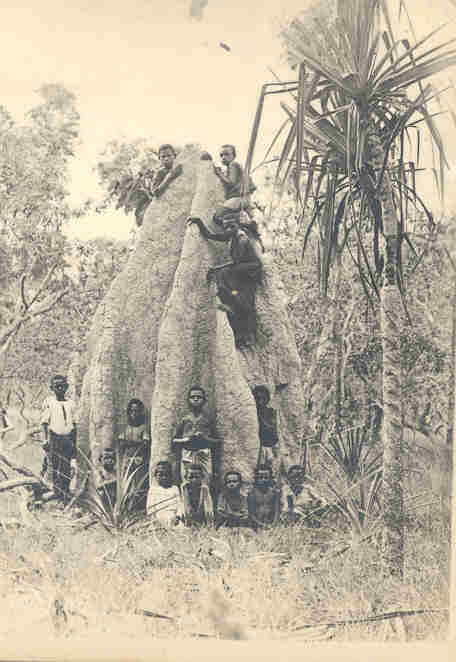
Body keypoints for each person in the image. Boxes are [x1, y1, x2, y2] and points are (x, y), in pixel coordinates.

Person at [187, 215, 263, 346]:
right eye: (225, 229)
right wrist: (199, 222)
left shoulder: (242, 239)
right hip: (240, 272)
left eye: (228, 229)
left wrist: (214, 269)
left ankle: (249, 336)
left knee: (246, 303)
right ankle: (238, 333)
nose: (225, 232)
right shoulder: (231, 235)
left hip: (250, 272)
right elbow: (211, 236)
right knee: (235, 295)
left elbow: (235, 262)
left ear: (234, 228)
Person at [40, 375, 77, 505]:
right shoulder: (49, 402)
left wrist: (74, 441)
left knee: (66, 467)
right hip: (55, 438)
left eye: (62, 386)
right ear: (52, 388)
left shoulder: (71, 403)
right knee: (55, 466)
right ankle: (57, 492)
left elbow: (74, 423)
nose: (60, 388)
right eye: (57, 386)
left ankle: (65, 494)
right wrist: (45, 440)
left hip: (68, 438)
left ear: (66, 387)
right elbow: (44, 423)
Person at [172, 386, 218, 487]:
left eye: (199, 397)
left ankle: (205, 502)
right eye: (193, 397)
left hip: (204, 455)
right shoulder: (184, 419)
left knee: (205, 483)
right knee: (187, 483)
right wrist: (187, 439)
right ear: (188, 400)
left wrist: (204, 438)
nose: (196, 399)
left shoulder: (208, 419)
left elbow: (217, 441)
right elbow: (174, 441)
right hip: (187, 454)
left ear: (204, 400)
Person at [117, 398, 151, 512]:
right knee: (126, 484)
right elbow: (121, 443)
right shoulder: (126, 427)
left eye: (136, 411)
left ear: (140, 412)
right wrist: (135, 443)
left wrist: (130, 443)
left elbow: (145, 444)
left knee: (138, 485)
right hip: (127, 460)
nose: (134, 414)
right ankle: (126, 509)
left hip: (139, 460)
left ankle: (137, 509)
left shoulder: (143, 428)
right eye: (131, 411)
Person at [213, 145, 256, 224]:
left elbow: (230, 183)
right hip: (244, 200)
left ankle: (235, 220)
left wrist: (218, 173)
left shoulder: (233, 164)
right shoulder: (234, 167)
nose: (223, 157)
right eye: (221, 155)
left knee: (217, 216)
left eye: (226, 154)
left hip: (239, 199)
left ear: (234, 156)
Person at [147, 461, 183, 527]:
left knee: (180, 529)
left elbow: (179, 505)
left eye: (166, 475)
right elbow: (150, 508)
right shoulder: (153, 490)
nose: (164, 477)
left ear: (171, 476)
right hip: (158, 518)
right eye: (160, 475)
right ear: (155, 476)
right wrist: (154, 519)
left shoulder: (174, 488)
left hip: (173, 517)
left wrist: (177, 517)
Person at [252, 386, 279, 467]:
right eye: (257, 398)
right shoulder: (252, 413)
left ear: (267, 399)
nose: (260, 402)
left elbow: (271, 430)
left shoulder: (271, 412)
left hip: (269, 447)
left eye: (263, 398)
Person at [247, 464, 280, 530]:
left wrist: (274, 524)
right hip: (256, 524)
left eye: (266, 477)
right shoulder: (252, 493)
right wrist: (262, 525)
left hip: (271, 523)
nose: (263, 480)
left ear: (270, 478)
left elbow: (277, 510)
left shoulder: (274, 493)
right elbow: (251, 514)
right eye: (260, 477)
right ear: (256, 479)